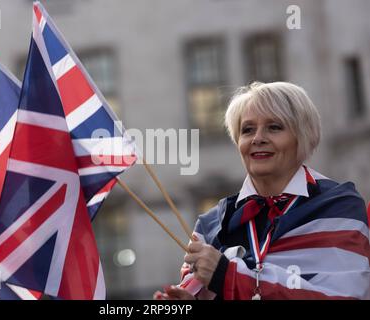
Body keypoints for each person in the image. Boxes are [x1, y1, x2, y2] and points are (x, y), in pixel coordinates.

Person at [154, 81, 370, 300]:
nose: (258, 138)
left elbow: (345, 295)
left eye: (274, 127)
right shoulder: (210, 224)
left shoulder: (337, 205)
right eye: (247, 130)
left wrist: (228, 276)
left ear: (303, 135)